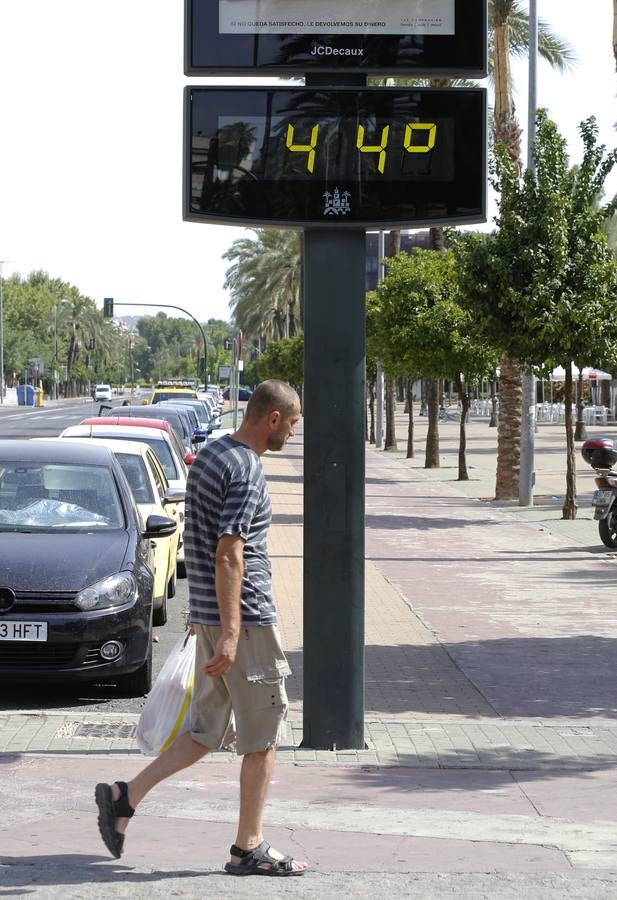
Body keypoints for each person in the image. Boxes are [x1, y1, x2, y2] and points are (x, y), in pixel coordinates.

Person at [95, 379, 307, 877]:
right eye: (293, 422)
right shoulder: (247, 467)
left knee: (205, 732)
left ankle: (126, 797)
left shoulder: (212, 454)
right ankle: (247, 848)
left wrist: (205, 617)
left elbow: (199, 534)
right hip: (246, 623)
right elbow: (230, 550)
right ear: (272, 418)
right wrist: (232, 631)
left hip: (215, 619)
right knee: (262, 738)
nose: (295, 432)